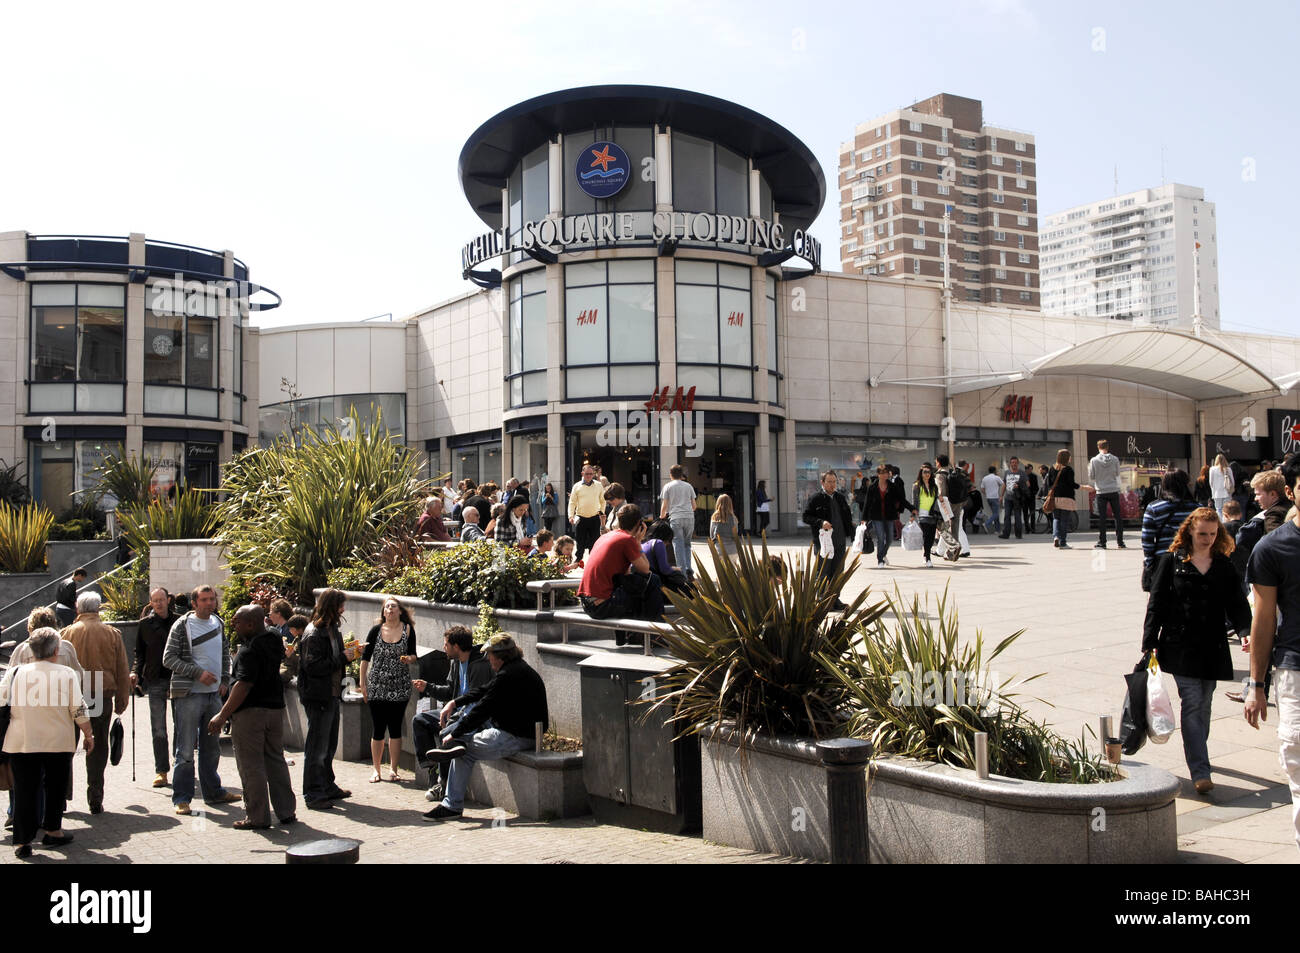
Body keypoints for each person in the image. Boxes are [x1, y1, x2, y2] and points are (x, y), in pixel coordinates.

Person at [1143, 508, 1252, 794]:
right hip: (1180, 646)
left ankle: (1198, 750)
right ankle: (1200, 769)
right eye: (1202, 533)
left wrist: (1245, 633)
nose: (1207, 539)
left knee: (1204, 704)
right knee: (1191, 702)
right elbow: (1157, 603)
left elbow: (1238, 603)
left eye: (1213, 534)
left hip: (1213, 646)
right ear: (1190, 531)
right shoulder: (1171, 561)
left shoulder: (1223, 565)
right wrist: (1149, 641)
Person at [423, 634, 549, 821]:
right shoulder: (515, 669)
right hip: (515, 730)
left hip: (517, 735)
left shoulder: (510, 675)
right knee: (460, 745)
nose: (488, 660)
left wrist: (457, 731)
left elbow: (484, 707)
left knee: (462, 752)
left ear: (500, 656)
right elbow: (483, 690)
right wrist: (455, 702)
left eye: (489, 655)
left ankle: (452, 806)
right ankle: (452, 747)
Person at [1244, 457, 1300, 846]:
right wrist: (1255, 684)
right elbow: (1263, 622)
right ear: (1292, 490)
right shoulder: (1273, 548)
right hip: (1296, 672)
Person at [1, 628, 94, 858]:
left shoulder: (14, 673)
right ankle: (53, 831)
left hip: (22, 741)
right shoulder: (66, 673)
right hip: (58, 741)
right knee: (55, 787)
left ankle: (23, 842)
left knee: (24, 791)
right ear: (55, 649)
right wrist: (88, 734)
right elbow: (78, 707)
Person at [205, 606, 297, 830]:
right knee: (275, 760)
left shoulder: (248, 651)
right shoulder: (274, 638)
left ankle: (257, 816)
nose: (234, 625)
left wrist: (221, 715)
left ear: (251, 625)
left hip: (250, 715)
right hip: (274, 710)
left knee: (251, 765)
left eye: (238, 622)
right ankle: (286, 811)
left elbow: (243, 685)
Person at [162, 585, 241, 816]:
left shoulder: (218, 623)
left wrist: (225, 680)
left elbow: (225, 652)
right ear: (194, 603)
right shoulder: (182, 625)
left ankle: (213, 791)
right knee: (185, 749)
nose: (208, 603)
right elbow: (169, 658)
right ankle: (182, 797)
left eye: (211, 599)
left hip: (214, 695)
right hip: (189, 695)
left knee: (211, 747)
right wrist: (198, 674)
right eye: (204, 600)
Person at [60, 590, 130, 815]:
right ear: (98, 608)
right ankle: (95, 798)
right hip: (100, 693)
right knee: (98, 747)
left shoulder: (66, 633)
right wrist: (122, 699)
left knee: (65, 746)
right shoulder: (112, 633)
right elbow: (121, 668)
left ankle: (60, 798)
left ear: (78, 609)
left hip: (73, 694)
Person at [411, 625, 492, 802]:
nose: (444, 647)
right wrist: (428, 687)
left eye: (446, 644)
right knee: (420, 720)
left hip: (472, 717)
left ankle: (444, 783)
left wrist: (453, 718)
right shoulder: (456, 663)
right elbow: (449, 691)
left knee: (446, 731)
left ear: (456, 647)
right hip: (455, 712)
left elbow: (477, 702)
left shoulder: (479, 666)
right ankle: (433, 770)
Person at [297, 588, 358, 810]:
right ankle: (313, 793)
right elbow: (312, 666)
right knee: (317, 746)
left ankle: (327, 784)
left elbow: (333, 660)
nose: (343, 609)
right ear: (332, 606)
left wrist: (346, 656)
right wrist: (343, 658)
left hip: (331, 694)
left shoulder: (332, 629)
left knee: (329, 744)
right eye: (341, 605)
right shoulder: (314, 632)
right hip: (318, 696)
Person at [577, 504, 665, 641]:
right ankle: (655, 635)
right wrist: (638, 541)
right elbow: (646, 569)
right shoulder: (627, 540)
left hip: (588, 603)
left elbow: (626, 573)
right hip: (601, 605)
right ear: (639, 524)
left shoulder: (606, 536)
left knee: (637, 586)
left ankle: (633, 635)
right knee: (653, 581)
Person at [359, 598, 417, 783]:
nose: (390, 609)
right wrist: (363, 683)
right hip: (377, 684)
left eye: (393, 606)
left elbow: (414, 654)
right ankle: (376, 770)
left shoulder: (408, 629)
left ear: (400, 611)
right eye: (387, 607)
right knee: (378, 728)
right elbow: (365, 659)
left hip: (399, 685)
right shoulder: (375, 631)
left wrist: (409, 659)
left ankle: (393, 768)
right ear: (383, 612)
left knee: (395, 727)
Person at [132, 587, 178, 788]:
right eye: (154, 600)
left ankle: (181, 764)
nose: (158, 603)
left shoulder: (180, 621)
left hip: (178, 678)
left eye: (161, 599)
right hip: (156, 679)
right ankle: (161, 770)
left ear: (168, 600)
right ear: (151, 603)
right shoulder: (145, 625)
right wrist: (135, 671)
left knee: (182, 725)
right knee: (158, 727)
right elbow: (139, 653)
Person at [1140, 469, 1200, 591]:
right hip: (1192, 559)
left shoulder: (1154, 508)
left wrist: (1149, 564)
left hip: (1163, 559)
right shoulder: (1197, 509)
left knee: (1162, 600)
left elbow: (1147, 541)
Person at [802, 469, 854, 607]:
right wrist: (821, 523)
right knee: (823, 571)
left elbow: (847, 518)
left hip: (839, 541)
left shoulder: (840, 498)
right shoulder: (815, 498)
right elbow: (806, 517)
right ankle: (823, 601)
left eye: (834, 482)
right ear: (822, 483)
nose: (832, 485)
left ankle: (834, 600)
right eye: (829, 482)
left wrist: (853, 532)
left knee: (837, 571)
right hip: (823, 542)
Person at [862, 464, 916, 569]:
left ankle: (883, 553)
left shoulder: (892, 486)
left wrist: (911, 508)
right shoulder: (872, 487)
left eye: (886, 473)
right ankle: (880, 560)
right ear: (878, 474)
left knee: (890, 538)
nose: (885, 475)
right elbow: (867, 503)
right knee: (881, 538)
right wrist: (864, 518)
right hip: (877, 516)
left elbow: (901, 499)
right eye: (882, 473)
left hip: (889, 515)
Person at [1045, 449, 1092, 550]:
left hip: (1055, 498)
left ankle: (1056, 536)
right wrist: (1085, 487)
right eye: (1069, 456)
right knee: (1064, 520)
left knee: (1056, 518)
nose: (1071, 458)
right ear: (1066, 458)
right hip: (1066, 498)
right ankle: (1063, 542)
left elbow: (1049, 484)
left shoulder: (1052, 468)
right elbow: (1072, 484)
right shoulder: (1068, 469)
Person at [659, 464, 698, 585]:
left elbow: (665, 505)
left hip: (676, 517)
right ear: (682, 475)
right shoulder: (688, 486)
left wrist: (661, 516)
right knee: (687, 544)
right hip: (689, 517)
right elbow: (694, 506)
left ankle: (682, 574)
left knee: (678, 544)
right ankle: (688, 569)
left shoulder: (668, 486)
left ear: (670, 475)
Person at [1088, 439, 1125, 550]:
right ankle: (1120, 542)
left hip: (1101, 491)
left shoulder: (1094, 460)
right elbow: (1118, 473)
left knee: (1102, 518)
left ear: (1098, 447)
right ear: (1108, 447)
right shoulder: (1115, 459)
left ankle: (1102, 542)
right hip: (1113, 490)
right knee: (1117, 517)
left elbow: (1092, 476)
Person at [933, 454, 971, 560]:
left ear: (939, 463)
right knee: (955, 527)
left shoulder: (940, 474)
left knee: (941, 527)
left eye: (936, 462)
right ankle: (951, 553)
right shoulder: (953, 471)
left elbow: (941, 492)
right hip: (958, 502)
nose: (935, 463)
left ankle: (954, 548)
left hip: (947, 503)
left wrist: (942, 506)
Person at [568, 464, 606, 561]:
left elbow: (603, 500)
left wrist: (601, 512)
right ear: (582, 473)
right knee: (580, 541)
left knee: (594, 541)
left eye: (591, 474)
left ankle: (593, 560)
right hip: (581, 517)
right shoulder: (576, 486)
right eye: (587, 474)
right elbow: (572, 502)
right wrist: (570, 516)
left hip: (594, 517)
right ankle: (578, 559)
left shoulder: (598, 485)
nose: (589, 476)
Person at [643, 520, 691, 594]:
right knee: (690, 588)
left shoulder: (643, 544)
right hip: (656, 588)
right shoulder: (658, 543)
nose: (668, 543)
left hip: (646, 584)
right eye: (668, 540)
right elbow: (664, 569)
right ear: (665, 536)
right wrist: (675, 569)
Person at [912, 464, 942, 568]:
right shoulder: (917, 485)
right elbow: (915, 501)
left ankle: (926, 553)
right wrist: (913, 513)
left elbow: (937, 499)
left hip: (932, 514)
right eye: (925, 472)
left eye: (929, 472)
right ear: (921, 473)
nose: (927, 474)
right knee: (926, 536)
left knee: (931, 537)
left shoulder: (934, 486)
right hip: (922, 514)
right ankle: (928, 558)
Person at [998, 457, 1026, 540]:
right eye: (1012, 462)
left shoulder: (1022, 473)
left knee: (1017, 516)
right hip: (1008, 498)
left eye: (1015, 462)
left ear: (1018, 463)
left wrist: (1019, 485)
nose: (1014, 464)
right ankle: (1006, 534)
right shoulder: (1007, 472)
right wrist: (1001, 496)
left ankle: (1018, 534)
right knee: (1007, 516)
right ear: (1010, 464)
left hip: (1017, 498)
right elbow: (1004, 484)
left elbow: (1027, 484)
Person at [980, 466, 1004, 534]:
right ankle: (986, 524)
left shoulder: (985, 478)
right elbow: (1003, 484)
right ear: (995, 471)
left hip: (988, 498)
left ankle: (997, 530)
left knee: (995, 513)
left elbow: (982, 489)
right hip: (995, 497)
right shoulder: (996, 477)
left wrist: (987, 494)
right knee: (996, 514)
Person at [1022, 464, 1040, 533]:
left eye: (1031, 469)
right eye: (1029, 469)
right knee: (1025, 514)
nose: (1031, 470)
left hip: (1031, 498)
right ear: (1026, 469)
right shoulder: (1022, 476)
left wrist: (1033, 493)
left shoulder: (1034, 476)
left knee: (1032, 513)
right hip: (1024, 498)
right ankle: (1027, 529)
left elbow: (1036, 487)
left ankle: (1033, 528)